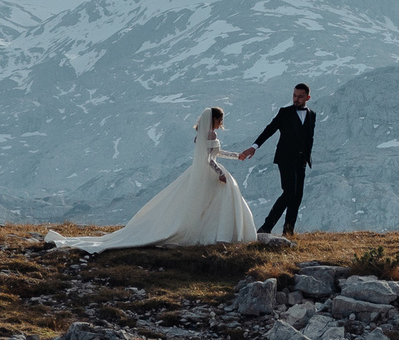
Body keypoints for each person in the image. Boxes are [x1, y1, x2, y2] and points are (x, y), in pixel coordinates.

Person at [46, 107, 256, 250]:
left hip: (200, 172)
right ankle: (219, 235)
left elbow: (212, 154)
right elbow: (210, 159)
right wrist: (220, 173)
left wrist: (235, 156)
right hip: (210, 172)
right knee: (218, 201)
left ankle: (212, 233)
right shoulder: (211, 135)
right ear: (215, 120)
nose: (221, 123)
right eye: (221, 120)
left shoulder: (202, 135)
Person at [249, 82, 317, 235]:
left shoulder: (312, 114)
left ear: (308, 98)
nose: (296, 99)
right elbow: (269, 129)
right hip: (285, 158)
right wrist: (254, 146)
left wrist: (307, 157)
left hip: (301, 161)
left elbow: (310, 137)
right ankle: (266, 227)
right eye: (294, 95)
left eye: (300, 97)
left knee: (297, 196)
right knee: (289, 192)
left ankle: (288, 231)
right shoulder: (284, 113)